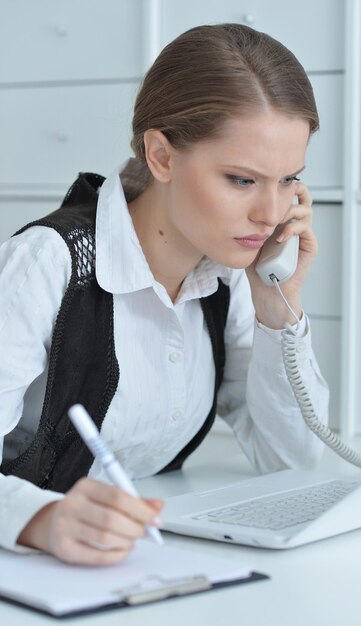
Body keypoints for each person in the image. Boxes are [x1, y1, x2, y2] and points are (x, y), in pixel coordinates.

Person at [0, 23, 329, 565]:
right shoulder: (48, 263)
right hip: (41, 570)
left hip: (154, 557)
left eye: (289, 179)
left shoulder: (230, 274)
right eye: (242, 180)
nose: (272, 214)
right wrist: (38, 519)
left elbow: (290, 458)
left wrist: (278, 309)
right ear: (162, 156)